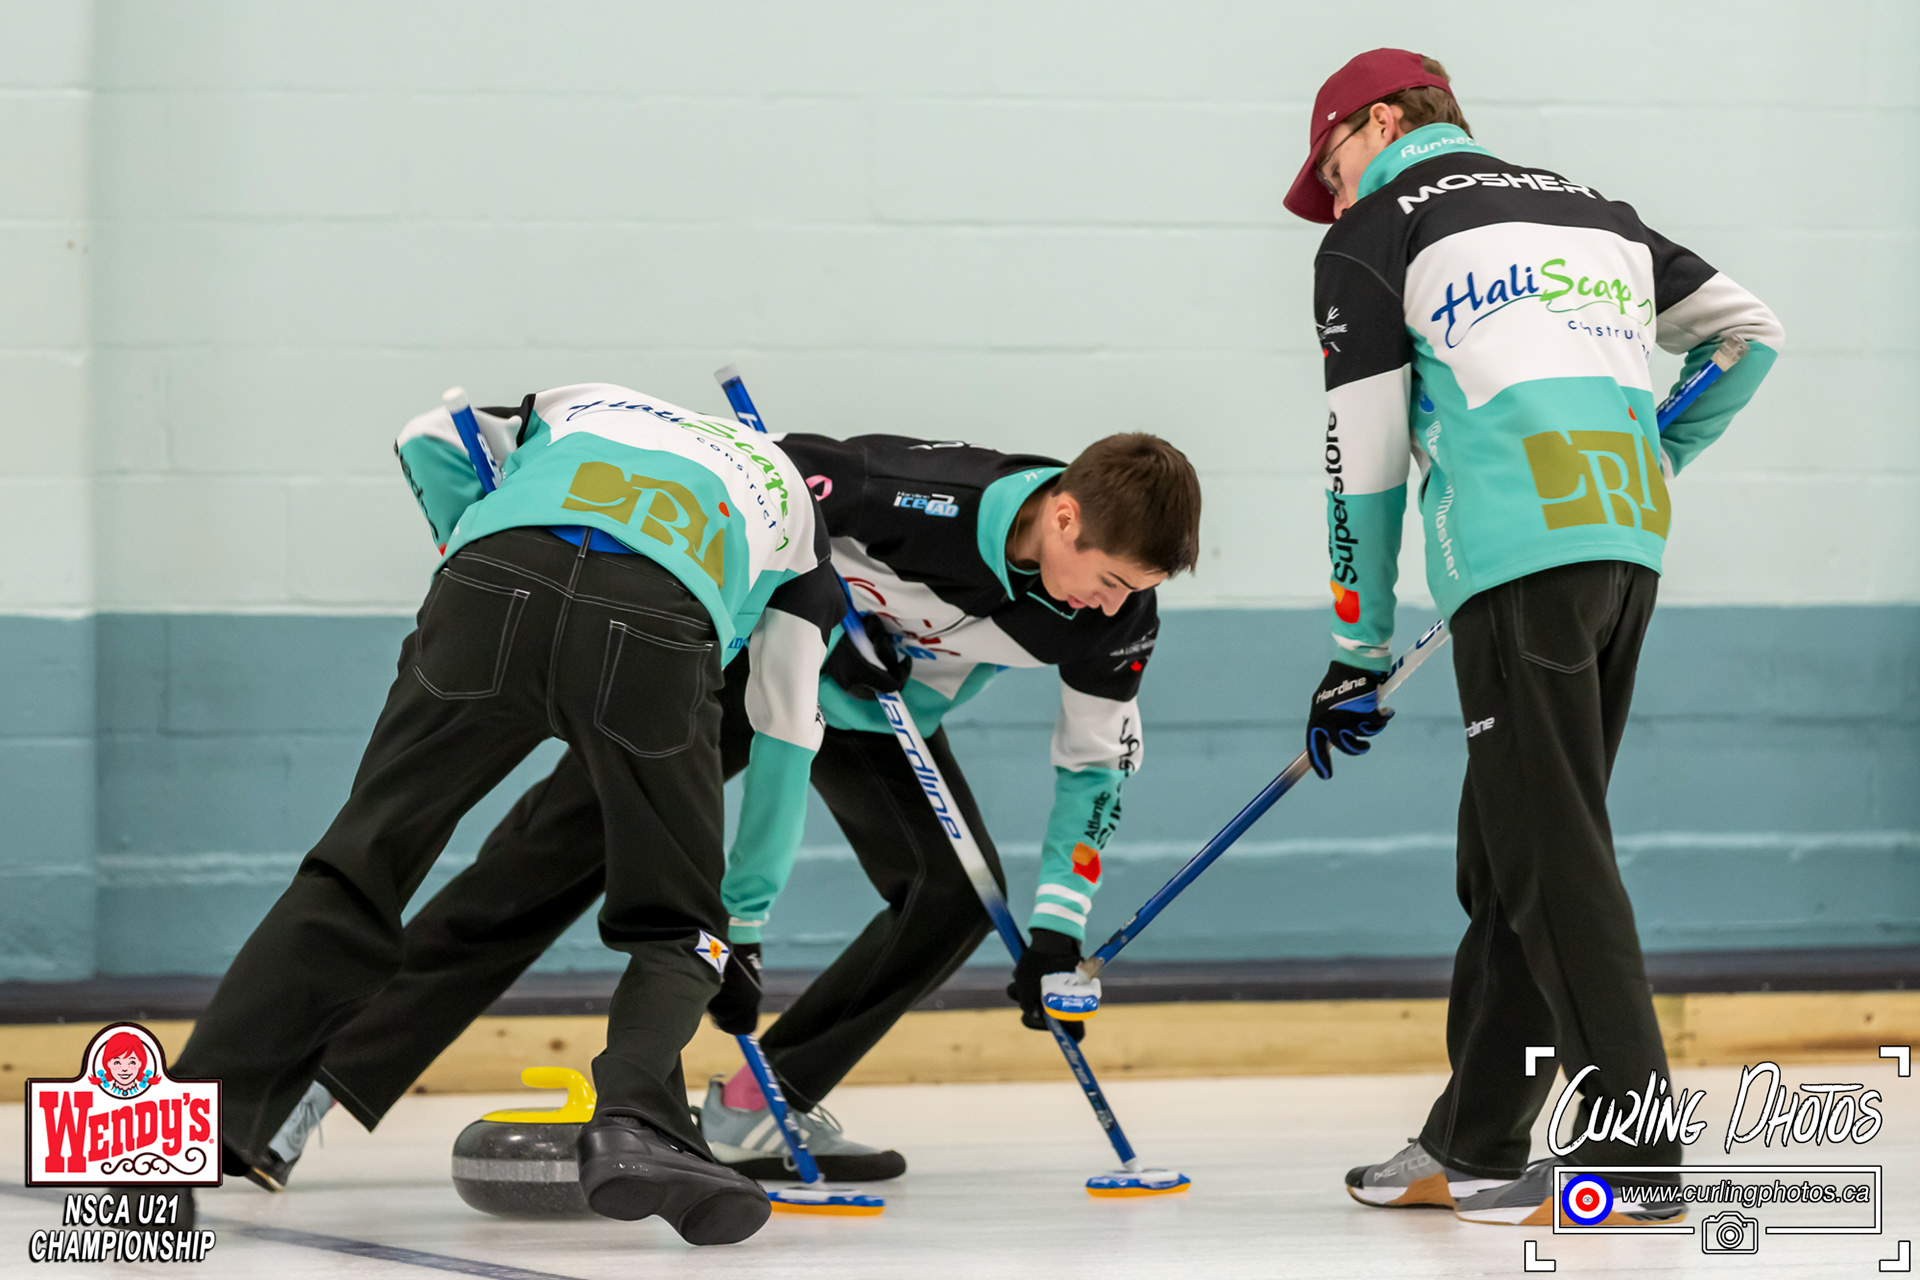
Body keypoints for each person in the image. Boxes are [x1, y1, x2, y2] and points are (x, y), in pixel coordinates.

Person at [250, 426, 1202, 1187]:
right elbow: (756, 482)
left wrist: (1058, 930)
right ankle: (316, 1087)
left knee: (954, 899)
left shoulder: (1118, 619)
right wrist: (819, 599)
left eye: (1137, 592)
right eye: (1111, 581)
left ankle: (761, 1104)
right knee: (539, 866)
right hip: (736, 666)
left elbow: (1095, 768)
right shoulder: (909, 492)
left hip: (874, 712)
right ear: (1064, 517)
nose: (1114, 607)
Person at [1283, 50, 1782, 1225]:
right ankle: (1474, 1135)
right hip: (1623, 543)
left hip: (1518, 556)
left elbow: (1364, 456)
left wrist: (1356, 649)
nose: (1333, 195)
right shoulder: (1590, 209)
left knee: (1550, 848)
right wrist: (1656, 452)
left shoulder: (1373, 234)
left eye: (1330, 166)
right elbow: (1747, 335)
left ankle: (1634, 1153)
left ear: (1382, 121)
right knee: (1508, 846)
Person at [173, 383, 845, 1245]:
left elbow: (425, 433)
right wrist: (742, 923)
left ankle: (163, 1143)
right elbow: (785, 728)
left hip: (491, 584)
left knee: (354, 872)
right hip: (654, 628)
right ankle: (637, 1123)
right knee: (680, 929)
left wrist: (463, 542)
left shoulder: (585, 401)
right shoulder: (796, 513)